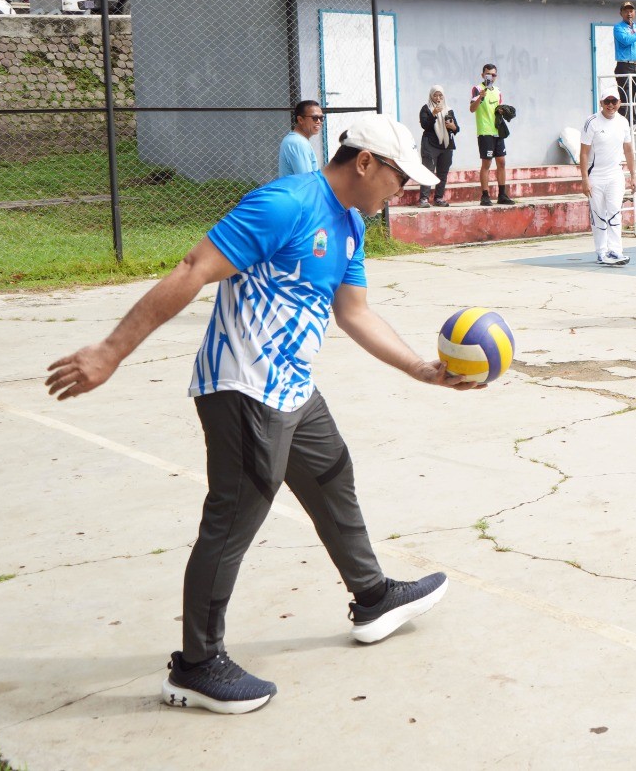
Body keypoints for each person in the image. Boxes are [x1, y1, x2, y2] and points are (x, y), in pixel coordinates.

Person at [45, 115, 464, 714]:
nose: (404, 191)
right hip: (243, 387)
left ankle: (372, 596)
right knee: (233, 518)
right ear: (366, 162)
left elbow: (355, 313)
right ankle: (195, 665)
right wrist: (111, 351)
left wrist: (422, 369)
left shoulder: (350, 225)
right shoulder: (285, 203)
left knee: (331, 476)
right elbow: (193, 269)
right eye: (400, 177)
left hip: (292, 386)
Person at [580, 94, 636, 266]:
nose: (610, 105)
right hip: (595, 175)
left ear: (619, 103)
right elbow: (583, 152)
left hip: (615, 175)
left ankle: (615, 250)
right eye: (607, 102)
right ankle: (602, 251)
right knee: (598, 214)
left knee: (614, 212)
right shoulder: (592, 122)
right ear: (601, 103)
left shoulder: (623, 122)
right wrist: (584, 179)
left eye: (614, 102)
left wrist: (633, 175)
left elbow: (628, 150)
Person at [470, 62, 514, 206]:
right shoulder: (477, 89)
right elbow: (472, 109)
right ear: (483, 75)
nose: (491, 77)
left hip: (497, 130)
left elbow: (497, 108)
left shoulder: (497, 91)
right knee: (486, 163)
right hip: (485, 131)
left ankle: (502, 195)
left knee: (502, 162)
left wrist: (501, 111)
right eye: (488, 74)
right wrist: (480, 97)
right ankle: (485, 195)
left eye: (494, 74)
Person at [417, 85, 457, 207]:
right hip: (430, 143)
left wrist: (453, 127)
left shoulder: (448, 109)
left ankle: (439, 198)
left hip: (446, 145)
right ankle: (424, 199)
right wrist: (434, 114)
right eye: (435, 95)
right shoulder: (426, 109)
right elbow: (425, 125)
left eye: (440, 95)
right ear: (431, 96)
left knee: (443, 172)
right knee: (428, 171)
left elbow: (456, 128)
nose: (438, 98)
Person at [278, 99, 323, 178]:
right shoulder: (298, 143)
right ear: (300, 120)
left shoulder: (296, 140)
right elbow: (307, 180)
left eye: (321, 118)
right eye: (315, 118)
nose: (319, 121)